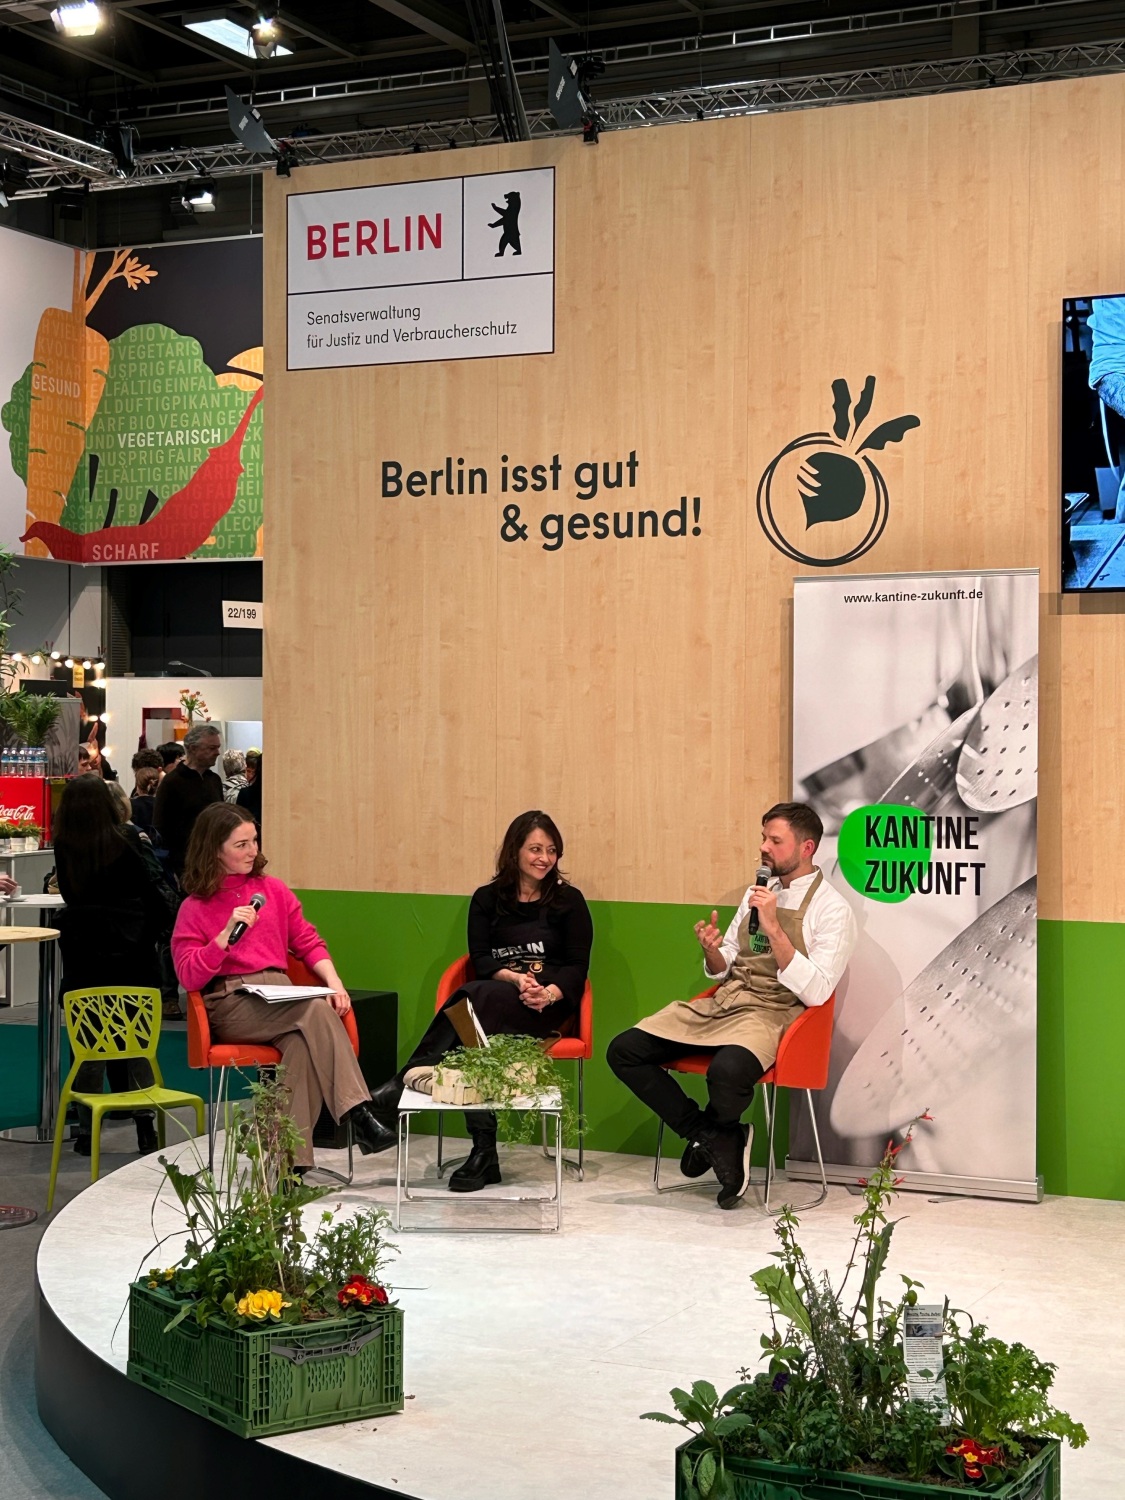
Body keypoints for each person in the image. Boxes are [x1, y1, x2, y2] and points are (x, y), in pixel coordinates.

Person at [607, 802, 857, 1210]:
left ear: (807, 847)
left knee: (727, 1071)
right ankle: (713, 1134)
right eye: (763, 838)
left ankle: (716, 1137)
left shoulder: (833, 911)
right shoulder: (756, 892)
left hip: (777, 1014)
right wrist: (712, 953)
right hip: (728, 1003)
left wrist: (775, 928)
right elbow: (726, 963)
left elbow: (817, 992)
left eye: (775, 841)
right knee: (624, 1050)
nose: (764, 848)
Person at [369, 810, 593, 1194]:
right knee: (473, 1017)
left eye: (552, 850)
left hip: (548, 1008)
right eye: (535, 848)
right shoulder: (487, 899)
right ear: (514, 851)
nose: (544, 858)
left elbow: (577, 966)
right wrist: (515, 978)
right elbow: (482, 958)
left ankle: (399, 1096)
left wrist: (547, 992)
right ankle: (483, 1151)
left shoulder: (569, 901)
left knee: (471, 1005)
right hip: (498, 999)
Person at [171, 804, 394, 1169]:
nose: (252, 851)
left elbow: (308, 941)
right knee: (313, 1009)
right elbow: (188, 976)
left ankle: (288, 1165)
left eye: (254, 841)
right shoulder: (195, 907)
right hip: (231, 1001)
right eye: (240, 845)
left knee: (301, 1046)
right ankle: (360, 1113)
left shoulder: (272, 890)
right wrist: (224, 937)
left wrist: (334, 982)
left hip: (281, 995)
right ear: (214, 849)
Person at [52, 775, 179, 1157]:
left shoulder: (64, 846)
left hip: (83, 955)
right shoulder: (126, 841)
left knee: (87, 1042)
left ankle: (86, 1130)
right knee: (137, 1043)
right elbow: (155, 893)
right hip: (132, 953)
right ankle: (145, 1129)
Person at [153, 722, 224, 879]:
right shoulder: (172, 782)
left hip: (214, 860)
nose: (217, 752)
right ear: (193, 748)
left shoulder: (214, 780)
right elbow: (160, 827)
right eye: (212, 748)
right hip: (184, 863)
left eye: (218, 747)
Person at [130, 765, 160, 839]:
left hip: (138, 842)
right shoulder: (161, 804)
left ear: (138, 786)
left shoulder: (131, 804)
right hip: (158, 844)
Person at [235, 750, 260, 827]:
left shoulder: (245, 793)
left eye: (253, 772)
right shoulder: (244, 792)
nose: (250, 775)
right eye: (248, 771)